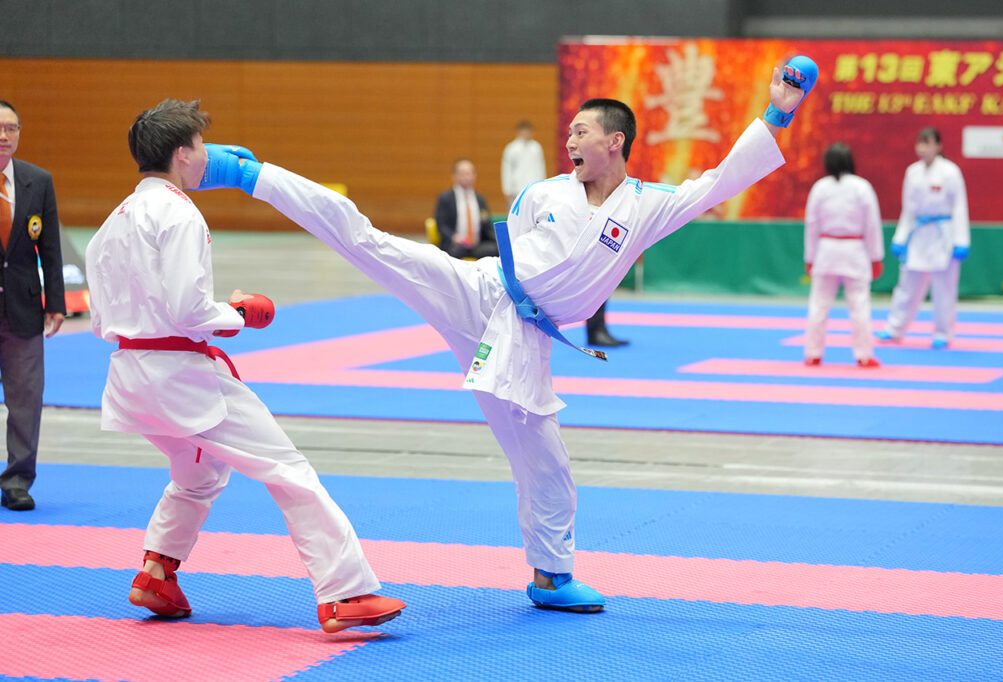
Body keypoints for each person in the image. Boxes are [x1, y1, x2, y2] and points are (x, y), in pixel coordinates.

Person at [197, 57, 817, 614]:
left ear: (615, 141)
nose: (569, 140)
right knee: (370, 242)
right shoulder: (544, 192)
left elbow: (718, 182)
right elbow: (520, 251)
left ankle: (551, 576)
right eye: (569, 131)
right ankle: (248, 173)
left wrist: (777, 114)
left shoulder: (647, 206)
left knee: (546, 462)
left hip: (524, 337)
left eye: (581, 131)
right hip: (478, 289)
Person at [84, 99, 405, 633]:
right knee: (287, 469)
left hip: (129, 376)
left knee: (199, 471)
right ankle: (345, 593)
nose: (206, 156)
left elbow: (101, 317)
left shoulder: (111, 223)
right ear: (182, 153)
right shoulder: (179, 213)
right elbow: (188, 309)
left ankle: (157, 572)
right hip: (181, 377)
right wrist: (239, 312)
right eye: (200, 146)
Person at [501, 121, 628, 347]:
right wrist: (509, 193)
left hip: (551, 204)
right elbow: (507, 173)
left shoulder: (537, 152)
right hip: (525, 201)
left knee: (596, 271)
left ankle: (596, 328)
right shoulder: (513, 150)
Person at [0, 101, 66, 512]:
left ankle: (17, 480)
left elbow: (51, 248)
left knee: (26, 398)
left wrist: (55, 302)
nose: (3, 136)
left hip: (22, 309)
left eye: (11, 128)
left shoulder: (37, 181)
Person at [876, 127, 970, 349]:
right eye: (920, 143)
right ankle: (894, 328)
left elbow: (959, 206)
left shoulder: (950, 172)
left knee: (944, 288)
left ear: (938, 146)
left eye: (927, 143)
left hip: (943, 233)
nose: (922, 148)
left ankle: (943, 332)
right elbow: (908, 209)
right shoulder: (913, 172)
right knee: (907, 285)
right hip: (918, 233)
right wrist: (900, 237)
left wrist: (961, 241)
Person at [803, 142, 884, 367]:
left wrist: (810, 258)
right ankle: (864, 355)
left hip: (826, 250)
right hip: (854, 251)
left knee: (819, 305)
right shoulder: (862, 187)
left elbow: (812, 225)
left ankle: (813, 353)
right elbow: (872, 225)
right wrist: (875, 257)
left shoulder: (820, 188)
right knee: (859, 305)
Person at [434, 159, 498, 259]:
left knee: (497, 249)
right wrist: (454, 237)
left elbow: (486, 225)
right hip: (455, 245)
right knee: (454, 251)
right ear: (454, 176)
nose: (465, 177)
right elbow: (441, 225)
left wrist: (497, 240)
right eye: (462, 174)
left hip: (477, 245)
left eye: (468, 173)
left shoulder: (480, 199)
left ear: (474, 176)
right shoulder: (446, 198)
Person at [501, 120, 546, 211]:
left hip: (534, 189)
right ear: (519, 132)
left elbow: (541, 168)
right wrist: (507, 190)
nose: (526, 134)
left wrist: (543, 186)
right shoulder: (511, 148)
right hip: (516, 190)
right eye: (524, 131)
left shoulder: (536, 147)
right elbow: (506, 170)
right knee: (516, 214)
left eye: (528, 131)